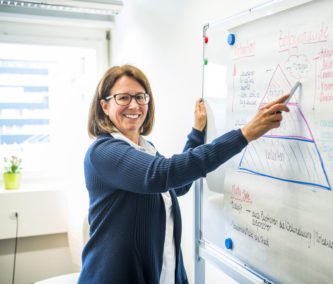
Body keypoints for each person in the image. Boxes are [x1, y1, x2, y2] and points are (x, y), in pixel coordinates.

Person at [78, 64, 289, 284]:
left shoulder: (145, 148)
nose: (134, 105)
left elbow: (177, 185)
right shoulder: (102, 152)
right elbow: (161, 174)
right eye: (123, 98)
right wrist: (244, 135)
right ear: (104, 106)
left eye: (140, 97)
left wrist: (197, 132)